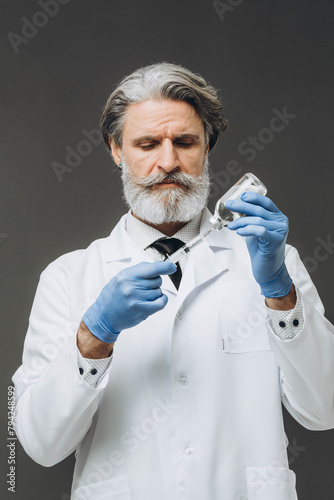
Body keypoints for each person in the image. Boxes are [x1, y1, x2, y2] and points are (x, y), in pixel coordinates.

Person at [13, 62, 334, 500]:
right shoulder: (68, 277)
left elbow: (325, 409)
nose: (168, 162)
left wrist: (278, 290)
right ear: (116, 149)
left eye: (185, 142)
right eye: (147, 144)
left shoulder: (273, 262)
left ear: (207, 147)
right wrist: (94, 336)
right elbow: (41, 444)